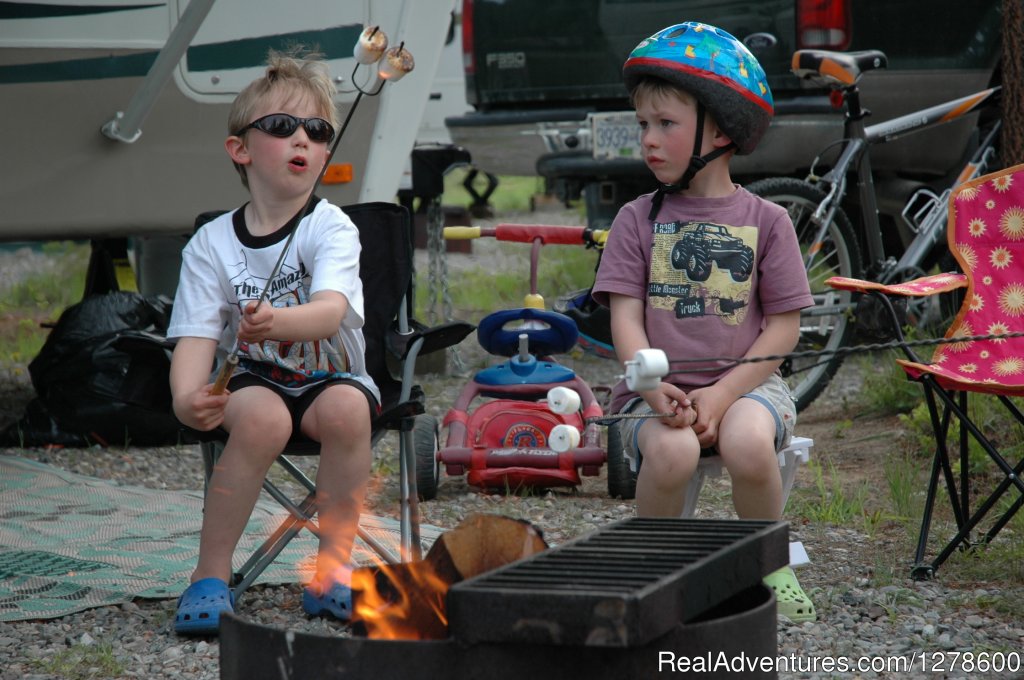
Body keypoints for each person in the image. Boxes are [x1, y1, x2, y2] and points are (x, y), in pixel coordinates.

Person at [591, 22, 817, 623]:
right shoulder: (636, 221)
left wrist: (722, 392)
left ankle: (770, 564)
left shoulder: (769, 222)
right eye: (644, 125)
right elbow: (626, 318)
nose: (649, 140)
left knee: (745, 442)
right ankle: (653, 573)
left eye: (666, 124)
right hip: (652, 393)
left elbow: (783, 330)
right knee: (671, 456)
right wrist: (648, 384)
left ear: (719, 130)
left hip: (748, 387)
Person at [167, 48, 379, 635]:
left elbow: (331, 312)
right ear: (240, 149)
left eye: (317, 130)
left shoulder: (330, 226)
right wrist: (188, 397)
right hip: (254, 378)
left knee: (346, 410)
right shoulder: (211, 244)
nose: (302, 140)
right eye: (282, 127)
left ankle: (333, 568)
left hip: (328, 372)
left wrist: (277, 322)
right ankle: (210, 575)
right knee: (261, 421)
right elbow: (194, 335)